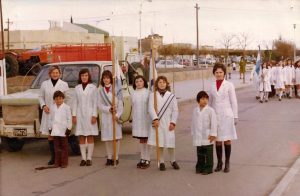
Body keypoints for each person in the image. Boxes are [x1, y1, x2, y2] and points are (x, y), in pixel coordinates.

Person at [209, 63, 238, 173]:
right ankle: (219, 162)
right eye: (216, 72)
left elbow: (233, 101)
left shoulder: (229, 85)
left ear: (224, 73)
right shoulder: (212, 85)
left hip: (227, 115)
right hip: (215, 115)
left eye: (221, 72)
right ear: (214, 73)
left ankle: (227, 162)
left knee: (226, 139)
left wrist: (235, 116)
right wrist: (209, 115)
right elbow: (210, 101)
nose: (219, 74)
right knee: (217, 140)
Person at [39, 65, 70, 165]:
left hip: (61, 113)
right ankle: (54, 158)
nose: (55, 74)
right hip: (49, 112)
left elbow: (68, 99)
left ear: (60, 74)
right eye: (53, 73)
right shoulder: (44, 84)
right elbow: (40, 97)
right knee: (51, 135)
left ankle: (62, 158)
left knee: (61, 136)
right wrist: (44, 106)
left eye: (57, 72)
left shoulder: (64, 84)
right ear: (49, 74)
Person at [148, 76, 179, 171]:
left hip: (169, 122)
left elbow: (175, 110)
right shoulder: (152, 95)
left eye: (163, 82)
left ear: (166, 84)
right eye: (160, 82)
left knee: (170, 143)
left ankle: (173, 160)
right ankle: (161, 161)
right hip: (158, 122)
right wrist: (155, 119)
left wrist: (173, 122)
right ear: (157, 84)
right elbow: (150, 108)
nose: (162, 84)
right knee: (160, 143)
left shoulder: (171, 96)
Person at [72, 68, 99, 166]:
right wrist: (74, 115)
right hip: (80, 114)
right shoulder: (77, 88)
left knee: (90, 135)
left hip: (90, 114)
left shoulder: (93, 87)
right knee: (81, 136)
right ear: (80, 77)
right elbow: (75, 102)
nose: (84, 77)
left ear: (89, 76)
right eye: (82, 75)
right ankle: (83, 158)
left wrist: (94, 115)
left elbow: (95, 102)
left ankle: (89, 158)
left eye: (86, 75)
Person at [98, 70, 123, 166]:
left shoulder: (116, 89)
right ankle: (109, 157)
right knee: (107, 138)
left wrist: (117, 115)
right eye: (104, 78)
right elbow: (99, 105)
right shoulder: (100, 91)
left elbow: (121, 105)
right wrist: (109, 109)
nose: (106, 80)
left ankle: (116, 157)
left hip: (115, 117)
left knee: (116, 138)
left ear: (111, 79)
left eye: (107, 78)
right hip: (106, 116)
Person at [191, 91, 217, 175]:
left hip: (208, 134)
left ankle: (208, 167)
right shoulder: (195, 110)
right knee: (200, 152)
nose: (205, 100)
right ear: (198, 100)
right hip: (198, 134)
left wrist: (213, 134)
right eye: (202, 99)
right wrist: (193, 132)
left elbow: (214, 123)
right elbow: (193, 122)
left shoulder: (210, 110)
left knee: (208, 152)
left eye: (206, 99)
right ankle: (200, 166)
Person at [131, 75, 151, 169]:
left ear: (144, 82)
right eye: (137, 81)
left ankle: (147, 158)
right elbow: (133, 106)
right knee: (141, 140)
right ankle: (142, 158)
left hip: (146, 119)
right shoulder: (133, 93)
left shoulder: (148, 93)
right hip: (137, 120)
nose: (139, 83)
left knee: (146, 139)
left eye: (140, 81)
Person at [48, 91, 72, 168]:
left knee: (64, 147)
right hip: (55, 130)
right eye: (57, 99)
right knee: (56, 147)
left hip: (63, 130)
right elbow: (50, 118)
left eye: (60, 99)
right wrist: (50, 128)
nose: (58, 100)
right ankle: (57, 162)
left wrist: (69, 128)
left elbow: (69, 119)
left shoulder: (66, 107)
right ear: (54, 99)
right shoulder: (52, 107)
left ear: (63, 99)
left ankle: (64, 162)